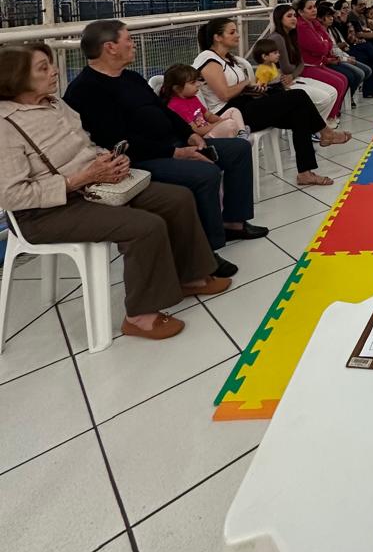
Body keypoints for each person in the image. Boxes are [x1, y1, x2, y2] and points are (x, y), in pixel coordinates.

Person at [0, 44, 230, 341]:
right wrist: (78, 179)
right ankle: (140, 316)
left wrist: (107, 159)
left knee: (176, 198)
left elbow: (84, 145)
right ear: (16, 78)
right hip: (47, 211)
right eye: (43, 68)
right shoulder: (6, 126)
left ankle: (191, 276)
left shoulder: (55, 104)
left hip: (95, 185)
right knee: (144, 227)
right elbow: (12, 195)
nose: (55, 71)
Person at [64, 20, 267, 277]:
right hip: (139, 158)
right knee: (205, 174)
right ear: (110, 47)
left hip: (172, 144)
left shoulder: (131, 77)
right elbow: (114, 139)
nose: (134, 44)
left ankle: (233, 223)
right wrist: (175, 153)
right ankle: (205, 252)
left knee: (238, 149)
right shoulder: (86, 89)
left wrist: (189, 135)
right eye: (128, 39)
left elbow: (164, 110)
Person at [194, 17, 350, 188]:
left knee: (300, 114)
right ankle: (325, 132)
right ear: (217, 37)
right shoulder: (208, 59)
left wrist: (252, 88)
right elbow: (224, 95)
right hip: (229, 114)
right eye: (232, 32)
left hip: (244, 104)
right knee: (298, 96)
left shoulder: (228, 59)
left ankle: (305, 173)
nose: (238, 35)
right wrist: (245, 84)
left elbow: (237, 89)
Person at [261, 5, 339, 118]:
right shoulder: (277, 38)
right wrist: (295, 67)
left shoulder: (292, 35)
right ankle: (315, 126)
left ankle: (317, 125)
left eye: (294, 16)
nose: (294, 19)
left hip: (292, 77)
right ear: (279, 19)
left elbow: (300, 64)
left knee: (332, 92)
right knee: (324, 98)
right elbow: (286, 68)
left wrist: (293, 72)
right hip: (277, 83)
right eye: (289, 16)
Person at [293, 0, 349, 119]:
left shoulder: (314, 22)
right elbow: (320, 48)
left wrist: (323, 44)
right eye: (310, 8)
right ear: (301, 12)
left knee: (344, 79)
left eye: (314, 7)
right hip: (306, 67)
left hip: (319, 62)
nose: (314, 10)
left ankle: (332, 115)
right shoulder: (301, 26)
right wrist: (323, 45)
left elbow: (328, 41)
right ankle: (328, 118)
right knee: (338, 83)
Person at [159, 64, 248, 138]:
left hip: (209, 128)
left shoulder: (192, 97)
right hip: (203, 138)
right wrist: (220, 124)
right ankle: (239, 133)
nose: (198, 84)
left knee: (233, 111)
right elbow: (196, 131)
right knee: (230, 125)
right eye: (193, 82)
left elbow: (208, 116)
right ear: (177, 88)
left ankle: (242, 134)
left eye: (197, 81)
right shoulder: (176, 106)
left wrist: (221, 120)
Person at [316, 1, 370, 101]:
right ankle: (346, 98)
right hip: (331, 60)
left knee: (367, 68)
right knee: (357, 74)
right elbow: (332, 50)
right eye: (328, 16)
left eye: (331, 16)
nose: (332, 18)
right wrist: (346, 59)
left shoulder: (331, 29)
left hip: (340, 56)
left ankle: (350, 95)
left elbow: (338, 47)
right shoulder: (319, 32)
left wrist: (347, 57)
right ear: (319, 18)